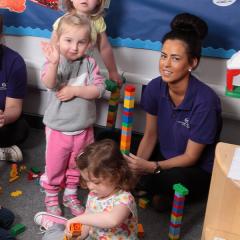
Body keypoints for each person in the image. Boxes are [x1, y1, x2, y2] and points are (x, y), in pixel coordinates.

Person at [124, 13, 222, 211]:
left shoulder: (206, 102)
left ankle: (155, 191)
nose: (165, 64)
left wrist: (151, 167)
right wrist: (137, 167)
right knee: (108, 142)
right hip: (163, 154)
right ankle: (149, 189)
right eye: (163, 56)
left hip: (192, 168)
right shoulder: (154, 87)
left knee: (172, 180)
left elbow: (191, 157)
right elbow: (151, 135)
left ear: (192, 63)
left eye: (175, 58)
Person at [39, 12, 105, 217]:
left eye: (81, 42)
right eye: (68, 40)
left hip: (84, 129)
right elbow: (49, 83)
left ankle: (70, 193)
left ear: (89, 45)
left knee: (78, 165)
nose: (74, 47)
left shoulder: (90, 63)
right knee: (55, 165)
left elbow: (99, 89)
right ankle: (51, 194)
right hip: (58, 129)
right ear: (58, 40)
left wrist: (75, 91)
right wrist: (53, 63)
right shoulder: (55, 61)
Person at [34, 139, 138, 240]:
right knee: (50, 237)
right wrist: (78, 236)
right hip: (93, 237)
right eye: (87, 180)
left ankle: (58, 226)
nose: (90, 187)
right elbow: (87, 224)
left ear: (116, 175)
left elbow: (112, 220)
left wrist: (78, 219)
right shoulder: (94, 195)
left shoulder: (124, 199)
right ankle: (56, 226)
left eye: (96, 182)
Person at [52, 0, 122, 85]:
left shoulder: (97, 22)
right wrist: (53, 66)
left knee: (88, 92)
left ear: (99, 1)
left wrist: (112, 71)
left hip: (85, 68)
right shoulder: (63, 21)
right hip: (63, 67)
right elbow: (53, 47)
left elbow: (104, 48)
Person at [0, 14, 28, 163]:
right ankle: (2, 152)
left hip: (3, 121)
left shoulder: (14, 62)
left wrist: (4, 118)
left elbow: (14, 107)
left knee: (21, 129)